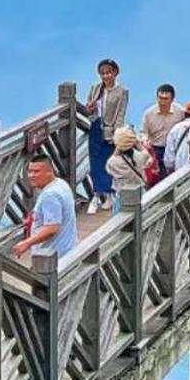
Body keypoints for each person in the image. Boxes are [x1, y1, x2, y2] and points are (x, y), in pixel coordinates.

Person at [83, 59, 129, 215]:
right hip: (96, 126)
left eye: (108, 72)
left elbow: (121, 114)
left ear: (115, 72)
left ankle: (109, 194)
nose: (105, 76)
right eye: (102, 73)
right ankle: (96, 195)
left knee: (109, 162)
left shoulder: (122, 91)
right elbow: (88, 110)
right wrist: (90, 108)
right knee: (95, 161)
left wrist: (117, 134)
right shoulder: (96, 88)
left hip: (110, 130)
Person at [14, 151, 78, 260]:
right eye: (29, 171)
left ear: (49, 171)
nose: (31, 176)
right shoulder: (61, 184)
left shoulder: (50, 195)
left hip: (54, 258)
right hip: (68, 250)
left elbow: (52, 227)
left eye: (36, 172)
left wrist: (26, 243)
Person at [143, 84, 184, 179]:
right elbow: (144, 132)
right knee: (154, 177)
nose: (162, 102)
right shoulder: (149, 113)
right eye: (160, 98)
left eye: (166, 99)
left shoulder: (180, 111)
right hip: (156, 148)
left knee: (173, 177)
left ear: (172, 99)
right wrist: (145, 140)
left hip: (173, 148)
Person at [107, 127, 152, 210]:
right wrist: (137, 143)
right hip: (140, 195)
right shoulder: (139, 157)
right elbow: (146, 153)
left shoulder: (113, 162)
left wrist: (119, 147)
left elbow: (109, 166)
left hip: (122, 196)